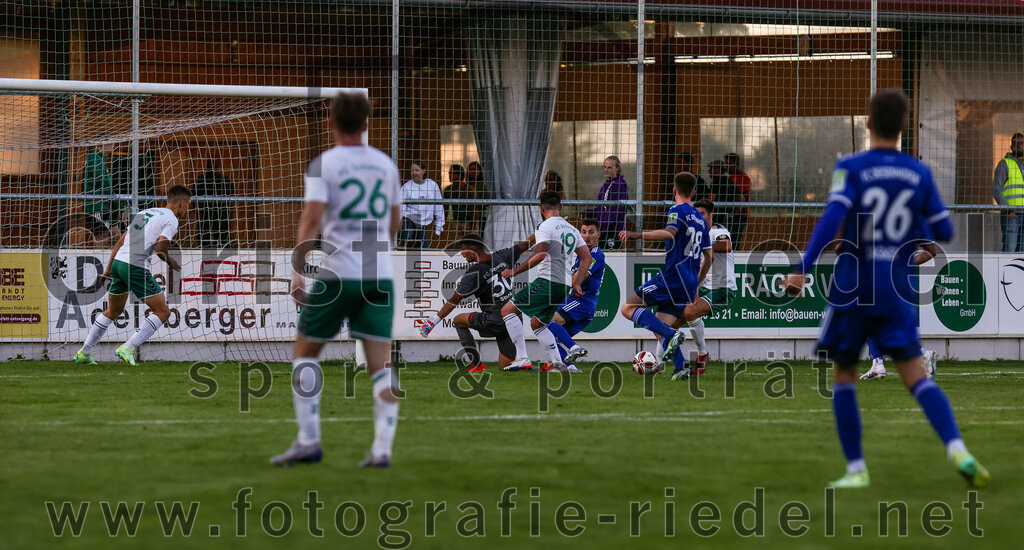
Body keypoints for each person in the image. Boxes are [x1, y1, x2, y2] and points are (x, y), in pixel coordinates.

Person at [780, 89, 988, 489]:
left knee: (844, 375)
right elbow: (943, 231)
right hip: (894, 288)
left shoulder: (851, 166)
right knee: (916, 378)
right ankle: (958, 448)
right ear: (906, 126)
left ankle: (856, 470)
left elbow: (831, 220)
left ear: (868, 123)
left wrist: (802, 269)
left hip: (852, 285)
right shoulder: (918, 173)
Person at [270, 91, 403, 468]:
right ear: (367, 123)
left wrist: (298, 271)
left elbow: (312, 221)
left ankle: (309, 441)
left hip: (337, 276)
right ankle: (382, 451)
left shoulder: (325, 165)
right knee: (381, 364)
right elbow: (394, 224)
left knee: (304, 354)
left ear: (330, 123)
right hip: (378, 275)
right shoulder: (386, 165)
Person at [73, 185, 192, 366]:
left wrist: (108, 268)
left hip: (119, 263)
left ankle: (84, 352)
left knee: (114, 311)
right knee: (163, 312)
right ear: (182, 203)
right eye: (188, 204)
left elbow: (121, 240)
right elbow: (160, 249)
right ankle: (127, 348)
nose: (188, 209)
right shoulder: (171, 220)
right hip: (135, 266)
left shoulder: (147, 211)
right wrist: (170, 261)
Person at [618, 172, 712, 381]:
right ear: (694, 192)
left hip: (671, 277)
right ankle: (680, 367)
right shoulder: (701, 219)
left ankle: (672, 336)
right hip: (688, 282)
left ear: (674, 190)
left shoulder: (676, 210)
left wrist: (637, 235)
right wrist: (697, 280)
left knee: (628, 308)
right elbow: (709, 256)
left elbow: (669, 233)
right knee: (660, 326)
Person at [500, 192, 593, 372]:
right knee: (537, 323)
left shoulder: (545, 226)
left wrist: (514, 271)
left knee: (507, 310)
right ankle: (559, 363)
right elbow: (586, 257)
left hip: (548, 281)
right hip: (563, 285)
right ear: (560, 206)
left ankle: (521, 358)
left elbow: (541, 255)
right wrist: (577, 283)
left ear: (541, 208)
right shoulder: (572, 229)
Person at [418, 233, 535, 372]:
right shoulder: (502, 256)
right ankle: (546, 369)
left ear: (472, 250)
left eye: (463, 249)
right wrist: (548, 227)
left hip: (496, 320)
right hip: (513, 318)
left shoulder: (474, 272)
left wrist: (433, 321)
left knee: (458, 320)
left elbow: (454, 300)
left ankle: (476, 365)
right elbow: (529, 242)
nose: (462, 254)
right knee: (507, 368)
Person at [670, 199, 735, 376]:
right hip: (702, 287)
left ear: (711, 215)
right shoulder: (694, 235)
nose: (700, 216)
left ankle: (703, 354)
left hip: (722, 288)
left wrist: (701, 247)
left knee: (690, 313)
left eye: (703, 213)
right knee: (669, 324)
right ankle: (658, 364)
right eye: (696, 213)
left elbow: (727, 246)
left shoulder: (718, 230)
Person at [861, 240, 940, 380]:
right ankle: (878, 363)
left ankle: (920, 355)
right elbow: (931, 251)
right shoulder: (918, 220)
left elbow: (840, 247)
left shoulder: (869, 219)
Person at [543, 219, 605, 374]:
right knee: (550, 334)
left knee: (545, 321)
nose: (587, 236)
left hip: (582, 302)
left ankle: (573, 348)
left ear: (599, 234)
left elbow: (575, 280)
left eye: (591, 232)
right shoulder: (582, 253)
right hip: (577, 302)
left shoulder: (595, 255)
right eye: (583, 232)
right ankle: (568, 366)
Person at [582, 156, 628, 250]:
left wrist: (600, 227)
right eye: (604, 167)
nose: (606, 170)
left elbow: (614, 211)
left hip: (612, 230)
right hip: (604, 229)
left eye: (609, 167)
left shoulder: (619, 184)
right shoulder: (607, 184)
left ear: (617, 168)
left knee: (611, 258)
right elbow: (604, 208)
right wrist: (588, 213)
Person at [81, 141, 122, 244]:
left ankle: (126, 257)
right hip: (95, 206)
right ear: (104, 144)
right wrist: (118, 205)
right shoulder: (94, 158)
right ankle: (100, 260)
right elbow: (104, 185)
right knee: (102, 238)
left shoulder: (100, 159)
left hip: (104, 206)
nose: (113, 148)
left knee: (117, 234)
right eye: (112, 145)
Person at [399, 162, 445, 249]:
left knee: (424, 248)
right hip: (409, 218)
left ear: (423, 171)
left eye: (417, 170)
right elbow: (401, 207)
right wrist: (399, 222)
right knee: (407, 236)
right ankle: (403, 242)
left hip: (422, 222)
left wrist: (439, 228)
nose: (414, 173)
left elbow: (439, 207)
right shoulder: (407, 186)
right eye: (412, 170)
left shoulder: (432, 185)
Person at [192, 158, 234, 248]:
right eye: (210, 163)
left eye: (214, 163)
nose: (212, 165)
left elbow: (231, 200)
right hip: (205, 215)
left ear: (218, 164)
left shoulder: (225, 180)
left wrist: (229, 214)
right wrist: (197, 213)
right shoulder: (200, 180)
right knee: (204, 242)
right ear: (207, 164)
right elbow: (194, 199)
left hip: (222, 216)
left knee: (223, 241)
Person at [992, 132, 1024, 252]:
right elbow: (996, 189)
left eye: (1021, 143)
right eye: (1015, 144)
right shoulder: (1004, 164)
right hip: (1012, 215)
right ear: (1011, 147)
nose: (1018, 146)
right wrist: (1007, 209)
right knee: (1010, 250)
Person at [724, 153, 751, 249]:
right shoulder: (727, 179)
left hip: (739, 215)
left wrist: (738, 209)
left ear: (735, 164)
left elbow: (746, 198)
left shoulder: (743, 178)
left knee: (735, 240)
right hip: (729, 215)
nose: (726, 166)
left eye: (729, 163)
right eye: (725, 164)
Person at [706, 160, 737, 229]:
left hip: (718, 217)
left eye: (711, 169)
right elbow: (741, 198)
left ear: (718, 169)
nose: (709, 171)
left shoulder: (716, 182)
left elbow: (711, 199)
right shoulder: (730, 182)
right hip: (730, 217)